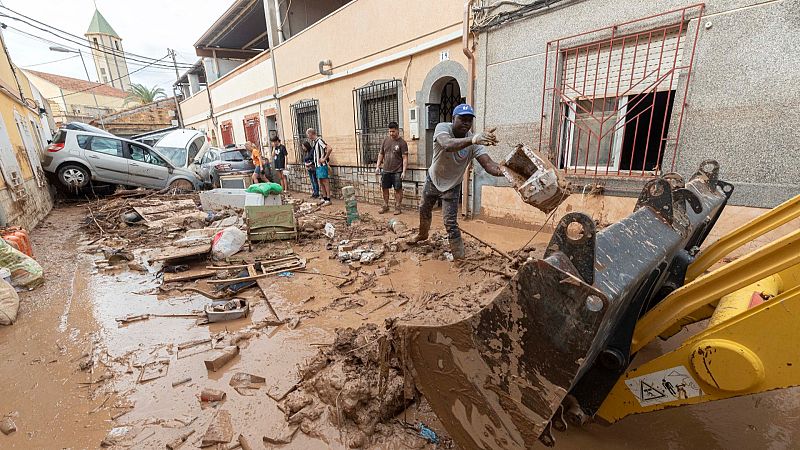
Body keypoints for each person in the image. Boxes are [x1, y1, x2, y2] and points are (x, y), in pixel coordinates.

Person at [410, 104, 504, 259]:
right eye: (462, 119)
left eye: (469, 120)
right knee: (424, 209)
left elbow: (490, 166)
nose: (466, 123)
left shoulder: (474, 144)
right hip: (433, 179)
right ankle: (422, 234)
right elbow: (447, 145)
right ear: (453, 119)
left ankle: (459, 258)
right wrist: (474, 139)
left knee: (450, 222)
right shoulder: (443, 128)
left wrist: (512, 173)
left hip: (453, 185)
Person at [375, 121, 408, 215]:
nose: (391, 133)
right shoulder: (385, 140)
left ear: (397, 130)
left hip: (397, 171)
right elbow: (381, 154)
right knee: (384, 188)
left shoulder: (402, 143)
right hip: (386, 170)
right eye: (390, 131)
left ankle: (398, 207)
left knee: (398, 189)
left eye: (393, 131)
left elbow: (405, 158)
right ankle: (385, 205)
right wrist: (378, 166)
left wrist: (404, 172)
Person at [306, 128, 333, 206]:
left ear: (311, 133)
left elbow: (329, 149)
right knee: (321, 182)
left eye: (308, 135)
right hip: (317, 166)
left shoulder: (320, 140)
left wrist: (324, 158)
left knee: (325, 181)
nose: (308, 137)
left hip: (322, 165)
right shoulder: (315, 142)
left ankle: (328, 199)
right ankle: (324, 198)